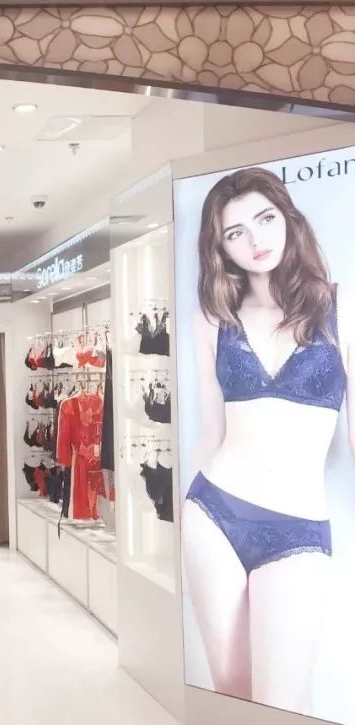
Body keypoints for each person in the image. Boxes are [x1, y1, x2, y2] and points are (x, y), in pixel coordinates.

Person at [184, 167, 354, 712]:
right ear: (221, 248)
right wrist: (179, 516)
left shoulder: (341, 306)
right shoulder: (214, 319)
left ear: (288, 218)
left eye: (265, 219)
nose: (255, 240)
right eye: (236, 232)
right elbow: (211, 430)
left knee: (282, 706)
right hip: (213, 516)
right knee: (232, 698)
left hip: (298, 530)